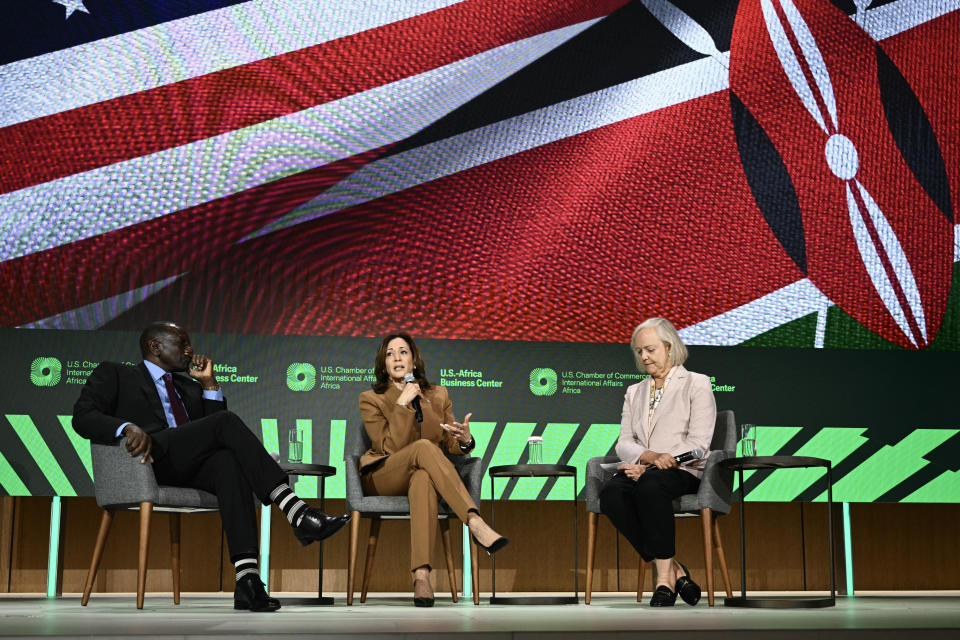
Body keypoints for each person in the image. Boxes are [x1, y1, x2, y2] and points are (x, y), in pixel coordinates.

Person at [72, 321, 351, 612]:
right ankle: (297, 512)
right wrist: (127, 426)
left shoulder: (188, 387)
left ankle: (247, 580)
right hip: (147, 460)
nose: (190, 350)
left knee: (229, 463)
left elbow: (217, 438)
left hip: (186, 465)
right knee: (226, 422)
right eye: (181, 344)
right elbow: (82, 416)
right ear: (155, 347)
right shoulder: (117, 373)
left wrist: (209, 385)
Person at [357, 333, 508, 607]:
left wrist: (464, 441)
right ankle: (474, 521)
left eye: (403, 352)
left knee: (424, 476)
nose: (397, 358)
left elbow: (448, 441)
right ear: (383, 364)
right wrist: (402, 404)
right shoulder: (371, 399)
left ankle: (422, 577)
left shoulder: (437, 395)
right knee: (425, 448)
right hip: (384, 475)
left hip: (422, 474)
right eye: (390, 354)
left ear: (414, 361)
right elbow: (387, 447)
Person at [599, 318, 716, 606]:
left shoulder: (696, 383)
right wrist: (648, 458)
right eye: (639, 352)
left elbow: (699, 443)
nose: (644, 357)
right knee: (612, 494)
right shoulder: (634, 392)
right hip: (645, 467)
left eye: (650, 349)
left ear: (669, 347)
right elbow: (624, 442)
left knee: (651, 485)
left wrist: (653, 465)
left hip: (683, 469)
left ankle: (662, 581)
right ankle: (675, 569)